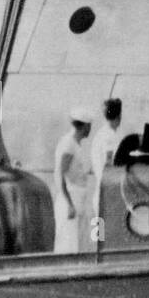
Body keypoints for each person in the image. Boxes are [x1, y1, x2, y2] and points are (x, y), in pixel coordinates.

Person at [53, 107, 94, 254]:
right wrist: (69, 204)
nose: (90, 129)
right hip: (70, 199)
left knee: (78, 244)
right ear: (85, 126)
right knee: (68, 245)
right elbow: (59, 174)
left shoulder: (76, 145)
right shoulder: (68, 145)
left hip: (79, 198)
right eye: (89, 126)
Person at [89, 98, 123, 214]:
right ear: (119, 116)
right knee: (103, 231)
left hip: (100, 191)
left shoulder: (99, 134)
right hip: (108, 194)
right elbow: (109, 162)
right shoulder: (110, 136)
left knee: (98, 231)